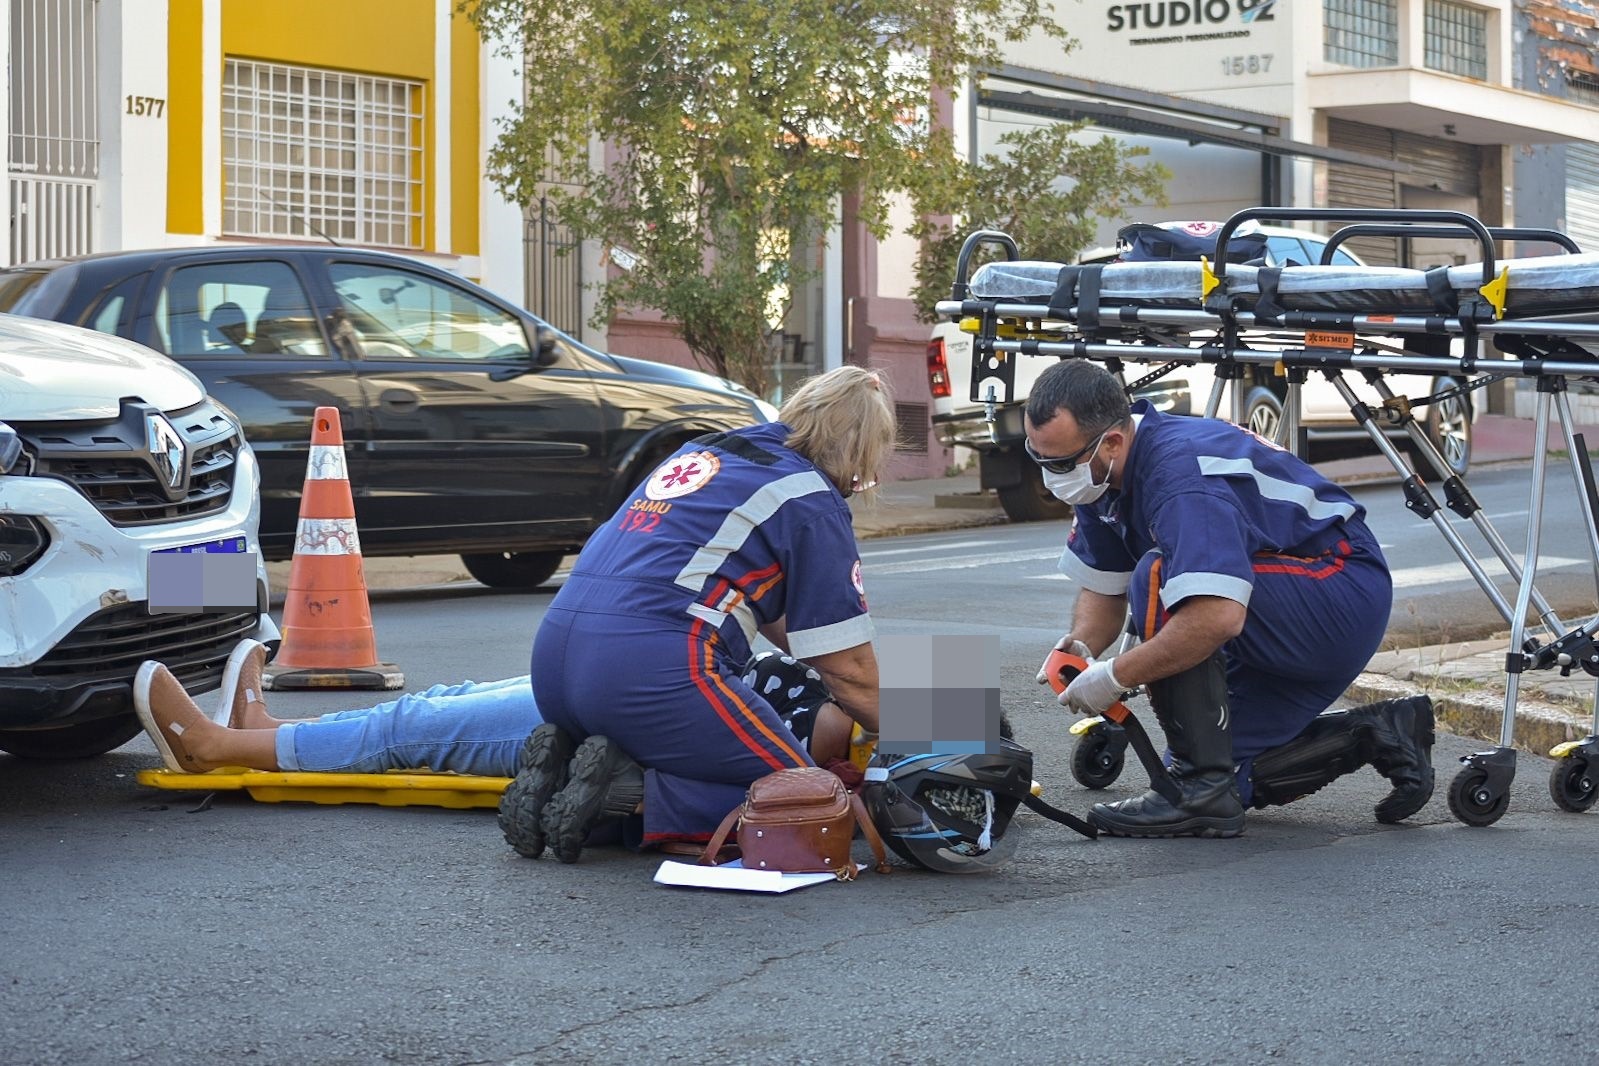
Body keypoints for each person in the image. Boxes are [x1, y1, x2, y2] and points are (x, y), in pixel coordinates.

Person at [503, 365, 895, 863]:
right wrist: (936, 730)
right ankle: (629, 797)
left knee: (744, 759)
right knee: (816, 803)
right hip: (653, 670)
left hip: (555, 663)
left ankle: (573, 783)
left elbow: (800, 632)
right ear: (861, 452)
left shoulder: (703, 453)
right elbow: (850, 672)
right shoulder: (811, 499)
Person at [1027, 359, 1434, 838]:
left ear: (1112, 441)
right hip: (1280, 601)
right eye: (1039, 460)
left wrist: (1113, 677)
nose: (1051, 478)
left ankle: (1196, 788)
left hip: (1337, 589)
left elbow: (1214, 618)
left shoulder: (1181, 479)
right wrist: (1081, 648)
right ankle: (1378, 732)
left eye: (1059, 463)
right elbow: (1102, 587)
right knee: (1228, 773)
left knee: (1157, 573)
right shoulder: (1100, 475)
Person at [132, 641, 858, 791]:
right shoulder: (874, 685)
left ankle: (212, 744)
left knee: (414, 730)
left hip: (626, 722)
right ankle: (261, 731)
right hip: (644, 679)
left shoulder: (855, 720)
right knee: (446, 700)